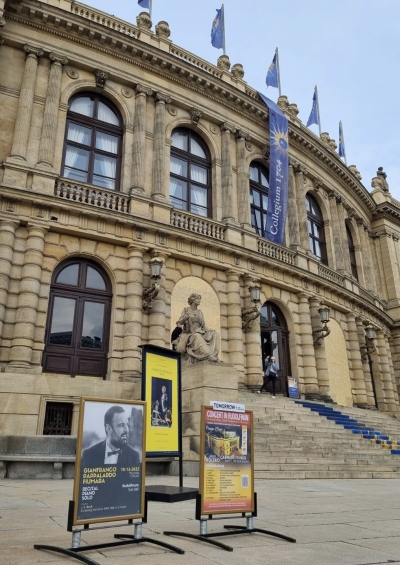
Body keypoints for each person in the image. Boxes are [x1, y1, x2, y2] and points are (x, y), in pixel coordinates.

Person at [79, 405, 142, 517]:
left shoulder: (134, 456)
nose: (126, 430)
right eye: (121, 425)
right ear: (108, 428)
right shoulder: (89, 454)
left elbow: (131, 496)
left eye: (127, 424)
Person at [176, 293, 220, 363]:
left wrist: (210, 331)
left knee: (216, 334)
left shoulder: (200, 312)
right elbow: (181, 322)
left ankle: (213, 355)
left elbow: (203, 325)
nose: (199, 300)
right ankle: (208, 356)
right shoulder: (186, 310)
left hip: (200, 331)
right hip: (190, 333)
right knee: (197, 336)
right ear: (193, 300)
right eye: (198, 299)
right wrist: (186, 317)